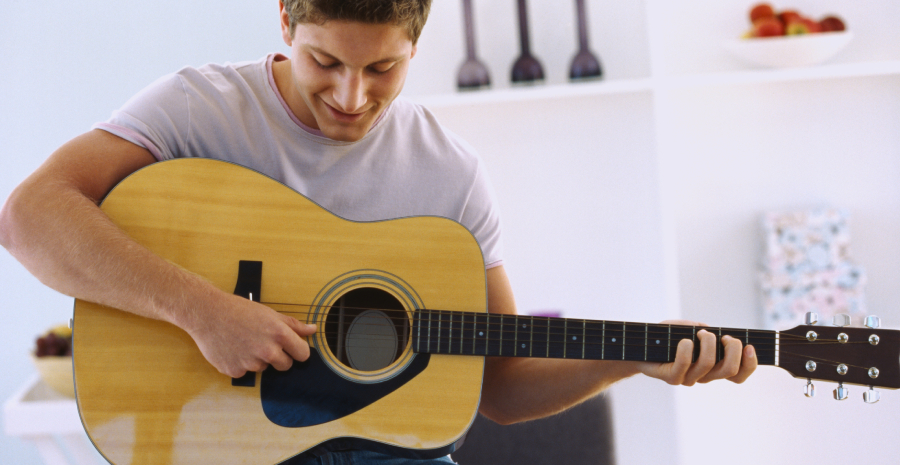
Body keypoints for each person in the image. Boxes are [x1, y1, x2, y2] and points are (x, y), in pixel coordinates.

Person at [0, 1, 757, 464]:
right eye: (324, 61)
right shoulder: (199, 107)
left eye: (384, 69)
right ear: (285, 19)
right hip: (218, 448)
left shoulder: (449, 175)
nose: (351, 96)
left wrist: (638, 357)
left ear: (415, 45)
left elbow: (501, 384)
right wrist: (203, 310)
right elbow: (29, 216)